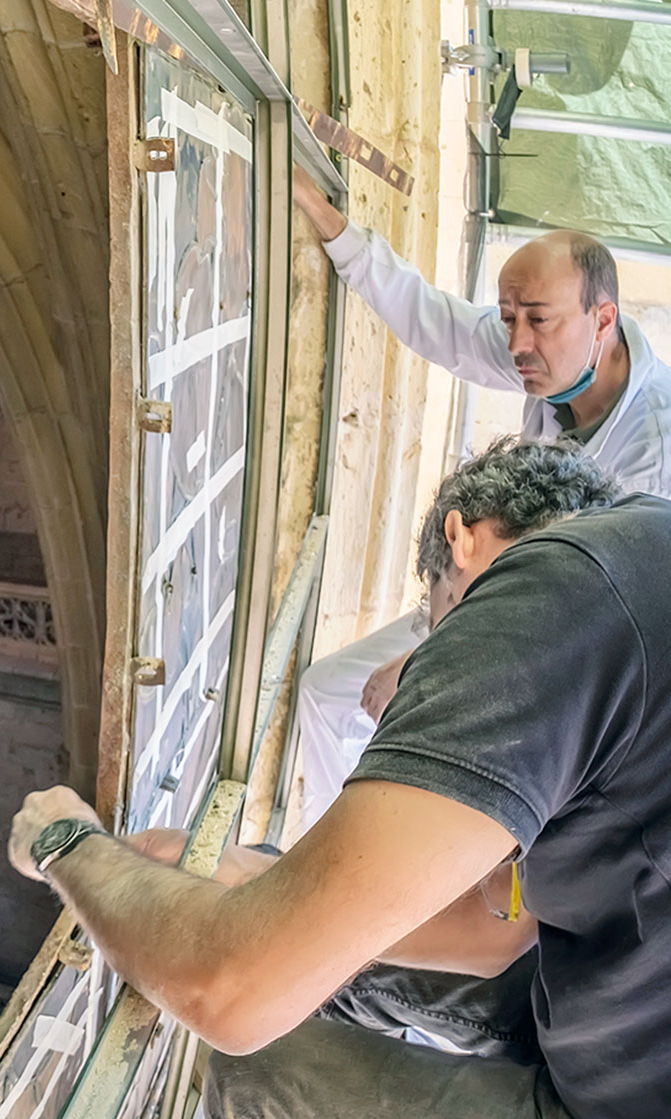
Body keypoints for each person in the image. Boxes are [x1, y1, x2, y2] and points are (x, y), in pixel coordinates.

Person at [9, 441, 671, 1119]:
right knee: (332, 972)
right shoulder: (640, 575)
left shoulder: (558, 585)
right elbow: (496, 929)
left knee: (257, 1082)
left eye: (435, 620)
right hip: (622, 1046)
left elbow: (230, 989)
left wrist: (67, 842)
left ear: (458, 538)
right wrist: (250, 878)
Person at [287, 167, 671, 836]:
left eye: (537, 322)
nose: (517, 343)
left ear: (602, 318)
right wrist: (332, 226)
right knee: (328, 695)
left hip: (579, 655)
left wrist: (438, 650)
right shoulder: (555, 355)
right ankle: (337, 875)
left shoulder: (654, 456)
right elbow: (444, 328)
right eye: (508, 318)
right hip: (493, 588)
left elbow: (596, 616)